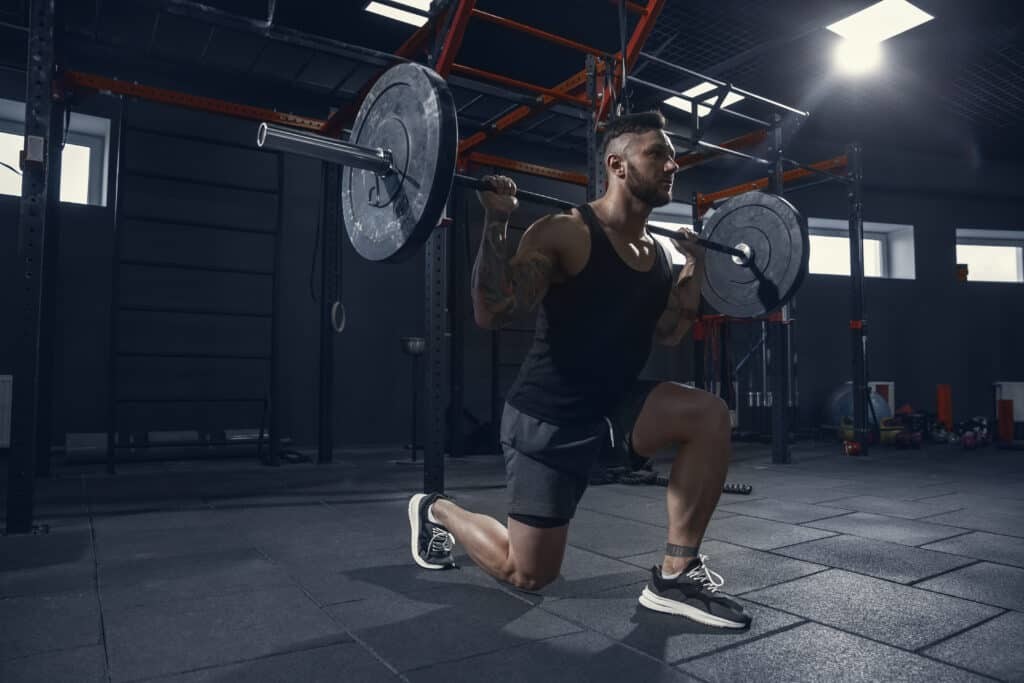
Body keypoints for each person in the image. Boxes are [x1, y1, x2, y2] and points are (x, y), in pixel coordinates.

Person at [408, 110, 750, 629]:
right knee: (527, 574)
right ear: (617, 164)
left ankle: (676, 576)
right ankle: (436, 509)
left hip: (614, 408)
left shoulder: (655, 252)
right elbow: (492, 310)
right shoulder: (566, 233)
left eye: (671, 154)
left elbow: (670, 332)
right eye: (657, 153)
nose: (672, 164)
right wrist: (497, 219)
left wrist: (695, 263)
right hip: (550, 417)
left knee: (709, 415)